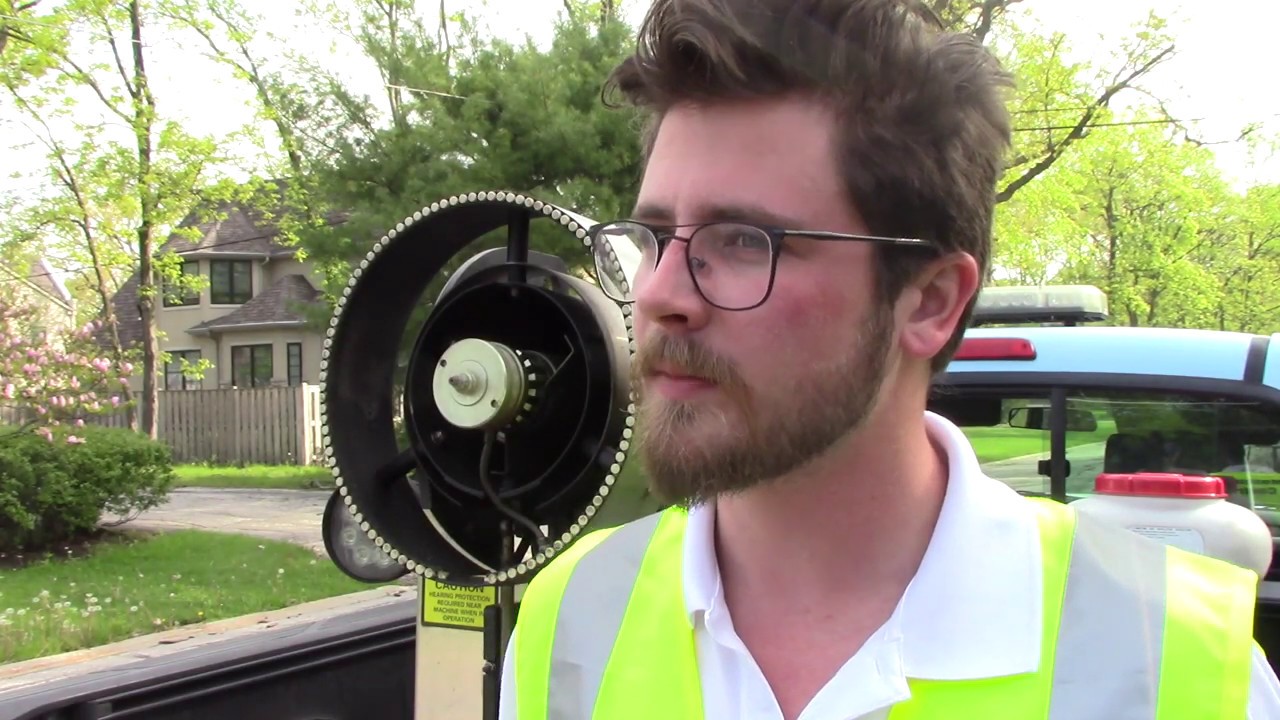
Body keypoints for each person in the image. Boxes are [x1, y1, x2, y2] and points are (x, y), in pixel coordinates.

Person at [498, 0, 1280, 717]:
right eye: (656, 237)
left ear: (930, 301)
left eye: (743, 242)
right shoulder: (572, 614)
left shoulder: (1176, 662)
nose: (661, 293)